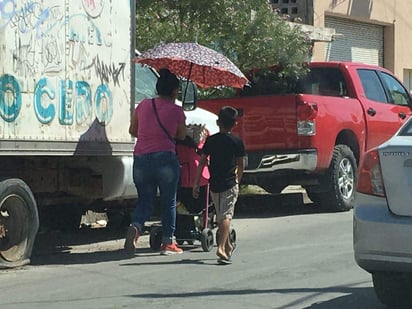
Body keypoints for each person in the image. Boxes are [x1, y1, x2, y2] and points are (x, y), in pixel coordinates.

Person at [125, 68, 186, 256]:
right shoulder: (177, 110)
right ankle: (168, 242)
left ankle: (136, 226)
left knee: (145, 200)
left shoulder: (143, 105)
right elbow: (181, 136)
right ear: (175, 91)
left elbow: (133, 130)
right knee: (169, 201)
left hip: (141, 158)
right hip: (165, 159)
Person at [192, 106, 245, 264]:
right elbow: (241, 164)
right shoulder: (237, 141)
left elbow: (202, 162)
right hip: (229, 182)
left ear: (217, 122)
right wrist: (238, 180)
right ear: (235, 124)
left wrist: (196, 183)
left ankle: (227, 247)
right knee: (226, 215)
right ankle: (221, 247)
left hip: (214, 182)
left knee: (221, 213)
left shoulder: (211, 140)